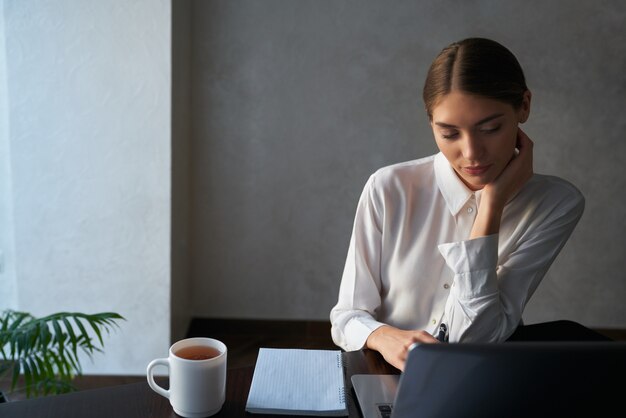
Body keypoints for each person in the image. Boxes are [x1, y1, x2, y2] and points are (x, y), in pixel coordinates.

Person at [329, 37, 585, 371]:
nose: (472, 153)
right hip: (382, 373)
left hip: (481, 376)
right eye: (449, 134)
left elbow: (473, 340)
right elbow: (346, 315)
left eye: (491, 128)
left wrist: (491, 204)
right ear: (430, 121)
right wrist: (383, 336)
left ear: (524, 106)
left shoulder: (555, 203)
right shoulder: (389, 187)